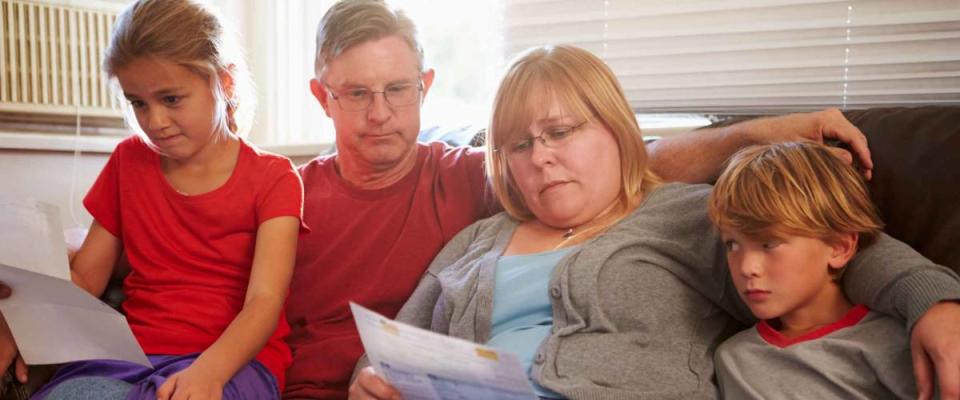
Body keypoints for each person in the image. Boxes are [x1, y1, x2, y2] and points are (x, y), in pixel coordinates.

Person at [281, 2, 909, 399]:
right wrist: (370, 379)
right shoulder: (475, 238)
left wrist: (932, 303)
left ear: (615, 129)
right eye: (521, 145)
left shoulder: (685, 215)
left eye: (561, 133)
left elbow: (828, 248)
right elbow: (393, 344)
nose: (542, 156)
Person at [0, 0, 305, 399]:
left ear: (225, 83)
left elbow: (265, 301)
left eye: (172, 99)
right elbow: (88, 278)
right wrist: (21, 317)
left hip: (231, 362)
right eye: (138, 103)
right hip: (128, 356)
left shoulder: (276, 177)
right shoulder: (128, 161)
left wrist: (209, 373)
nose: (154, 122)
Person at [709, 142, 916, 399]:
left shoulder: (895, 343)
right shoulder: (733, 359)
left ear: (839, 248)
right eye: (733, 244)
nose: (746, 267)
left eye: (769, 243)